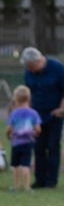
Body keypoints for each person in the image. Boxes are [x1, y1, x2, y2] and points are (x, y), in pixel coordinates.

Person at [20, 47, 64, 189]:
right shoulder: (29, 72)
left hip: (54, 114)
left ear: (38, 61)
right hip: (36, 115)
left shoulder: (57, 68)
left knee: (52, 146)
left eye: (31, 66)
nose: (29, 69)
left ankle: (51, 180)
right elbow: (28, 93)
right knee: (38, 147)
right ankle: (39, 179)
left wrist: (61, 109)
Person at [6, 85, 42, 193]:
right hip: (28, 142)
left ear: (16, 99)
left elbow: (9, 128)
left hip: (16, 142)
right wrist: (35, 134)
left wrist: (8, 135)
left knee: (16, 165)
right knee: (26, 165)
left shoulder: (14, 113)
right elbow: (38, 128)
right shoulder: (33, 113)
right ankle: (27, 187)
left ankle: (16, 186)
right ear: (29, 98)